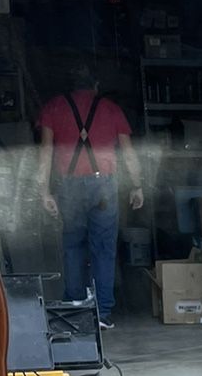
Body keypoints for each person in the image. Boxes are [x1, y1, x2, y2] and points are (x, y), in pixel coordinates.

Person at [35, 65, 143, 327]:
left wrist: (44, 191)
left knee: (73, 247)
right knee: (103, 250)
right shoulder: (111, 109)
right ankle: (102, 313)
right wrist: (137, 185)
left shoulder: (54, 108)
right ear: (95, 86)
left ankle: (74, 308)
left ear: (71, 86)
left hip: (70, 186)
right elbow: (128, 152)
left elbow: (45, 153)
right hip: (103, 186)